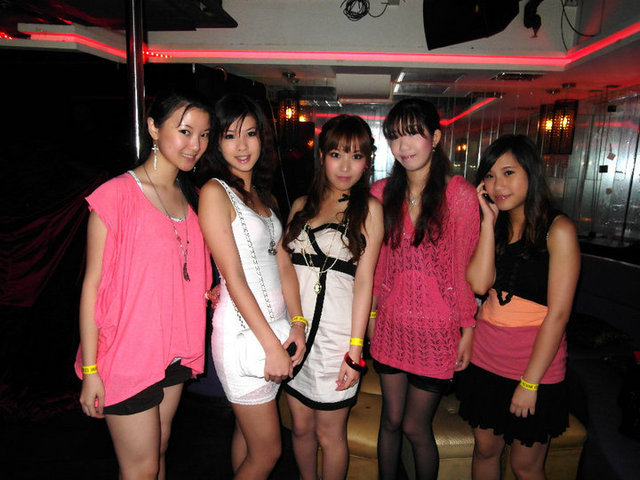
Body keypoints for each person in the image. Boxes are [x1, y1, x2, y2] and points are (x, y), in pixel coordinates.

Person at [76, 89, 214, 480]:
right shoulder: (117, 195)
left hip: (173, 350)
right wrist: (90, 369)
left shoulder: (193, 198)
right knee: (140, 467)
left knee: (160, 450)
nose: (195, 145)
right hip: (126, 354)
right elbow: (91, 287)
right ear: (153, 128)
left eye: (204, 135)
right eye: (185, 131)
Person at [457, 134, 580, 480]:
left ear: (531, 172)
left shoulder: (558, 229)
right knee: (485, 451)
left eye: (508, 173)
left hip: (534, 364)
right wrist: (486, 222)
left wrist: (529, 383)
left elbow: (559, 315)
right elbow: (479, 285)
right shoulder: (494, 225)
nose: (498, 185)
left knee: (525, 466)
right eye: (490, 175)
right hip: (485, 358)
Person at [369, 98, 480, 480]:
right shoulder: (381, 192)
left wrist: (467, 330)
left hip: (438, 332)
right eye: (395, 137)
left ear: (435, 137)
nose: (404, 145)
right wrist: (371, 315)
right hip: (390, 326)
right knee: (390, 420)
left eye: (413, 134)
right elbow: (376, 266)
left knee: (416, 427)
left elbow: (461, 272)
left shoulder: (460, 196)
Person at [198, 93, 306, 480]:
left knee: (246, 436)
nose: (242, 146)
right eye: (230, 135)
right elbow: (234, 277)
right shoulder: (214, 192)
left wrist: (297, 324)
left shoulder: (265, 195)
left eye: (250, 133)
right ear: (217, 142)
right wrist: (271, 347)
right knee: (268, 452)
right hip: (245, 336)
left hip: (275, 329)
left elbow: (284, 264)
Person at [282, 114, 384, 480]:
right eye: (337, 154)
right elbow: (283, 267)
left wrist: (355, 351)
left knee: (330, 434)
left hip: (337, 340)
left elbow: (365, 283)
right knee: (300, 428)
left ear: (367, 162)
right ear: (322, 156)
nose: (345, 166)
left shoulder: (369, 210)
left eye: (356, 156)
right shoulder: (300, 206)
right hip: (295, 332)